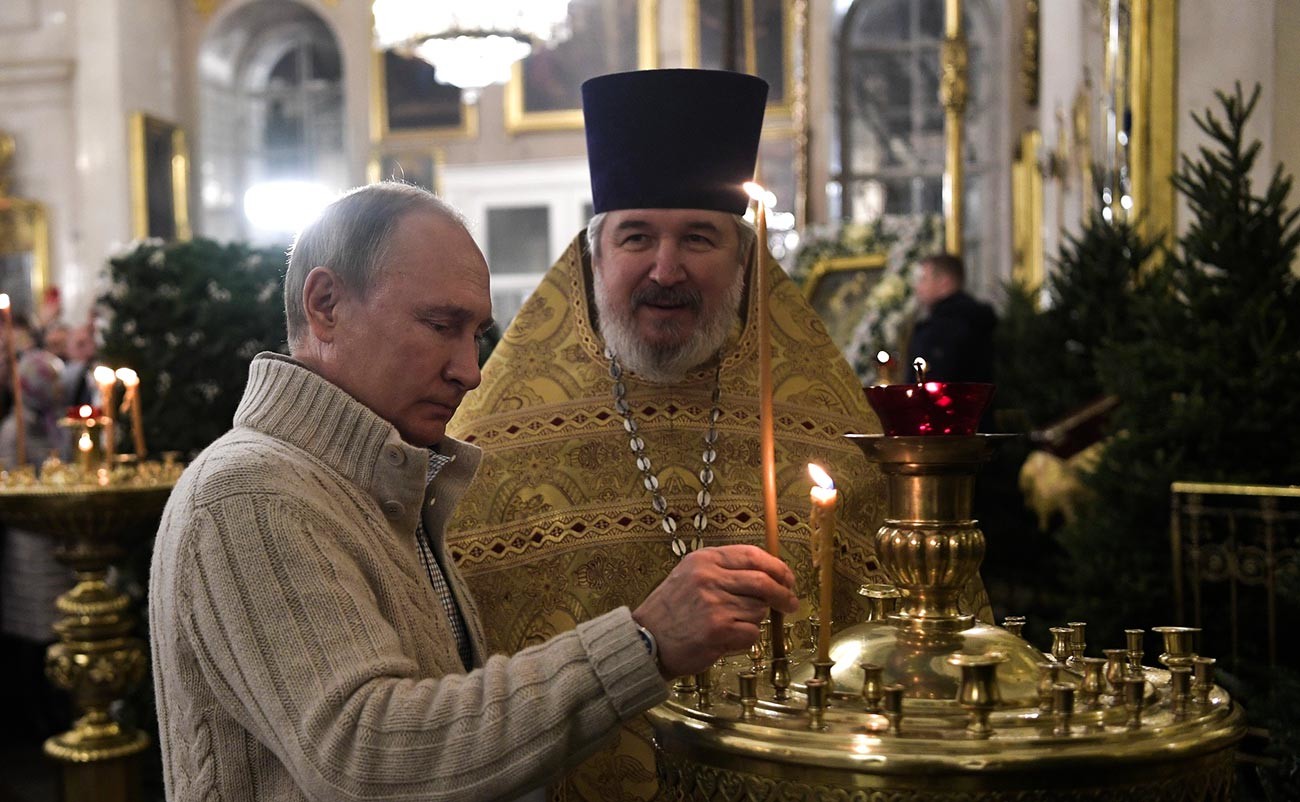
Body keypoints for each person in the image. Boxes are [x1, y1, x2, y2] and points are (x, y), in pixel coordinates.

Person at [148, 181, 798, 802]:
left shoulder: (379, 483)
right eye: (440, 325)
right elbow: (367, 758)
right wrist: (646, 643)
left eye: (476, 334)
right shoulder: (252, 495)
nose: (470, 371)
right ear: (326, 306)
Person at [445, 69, 993, 802]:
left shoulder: (834, 445)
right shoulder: (486, 455)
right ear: (592, 257)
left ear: (744, 263)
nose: (665, 269)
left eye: (698, 238)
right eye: (636, 236)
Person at [0, 347, 72, 744]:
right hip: (29, 548)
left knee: (54, 630)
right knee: (33, 638)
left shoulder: (50, 424)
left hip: (57, 542)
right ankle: (36, 722)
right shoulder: (14, 432)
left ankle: (55, 711)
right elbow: (13, 487)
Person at [907, 253, 997, 384]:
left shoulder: (944, 328)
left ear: (944, 282)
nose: (918, 287)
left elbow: (933, 381)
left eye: (924, 279)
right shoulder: (975, 318)